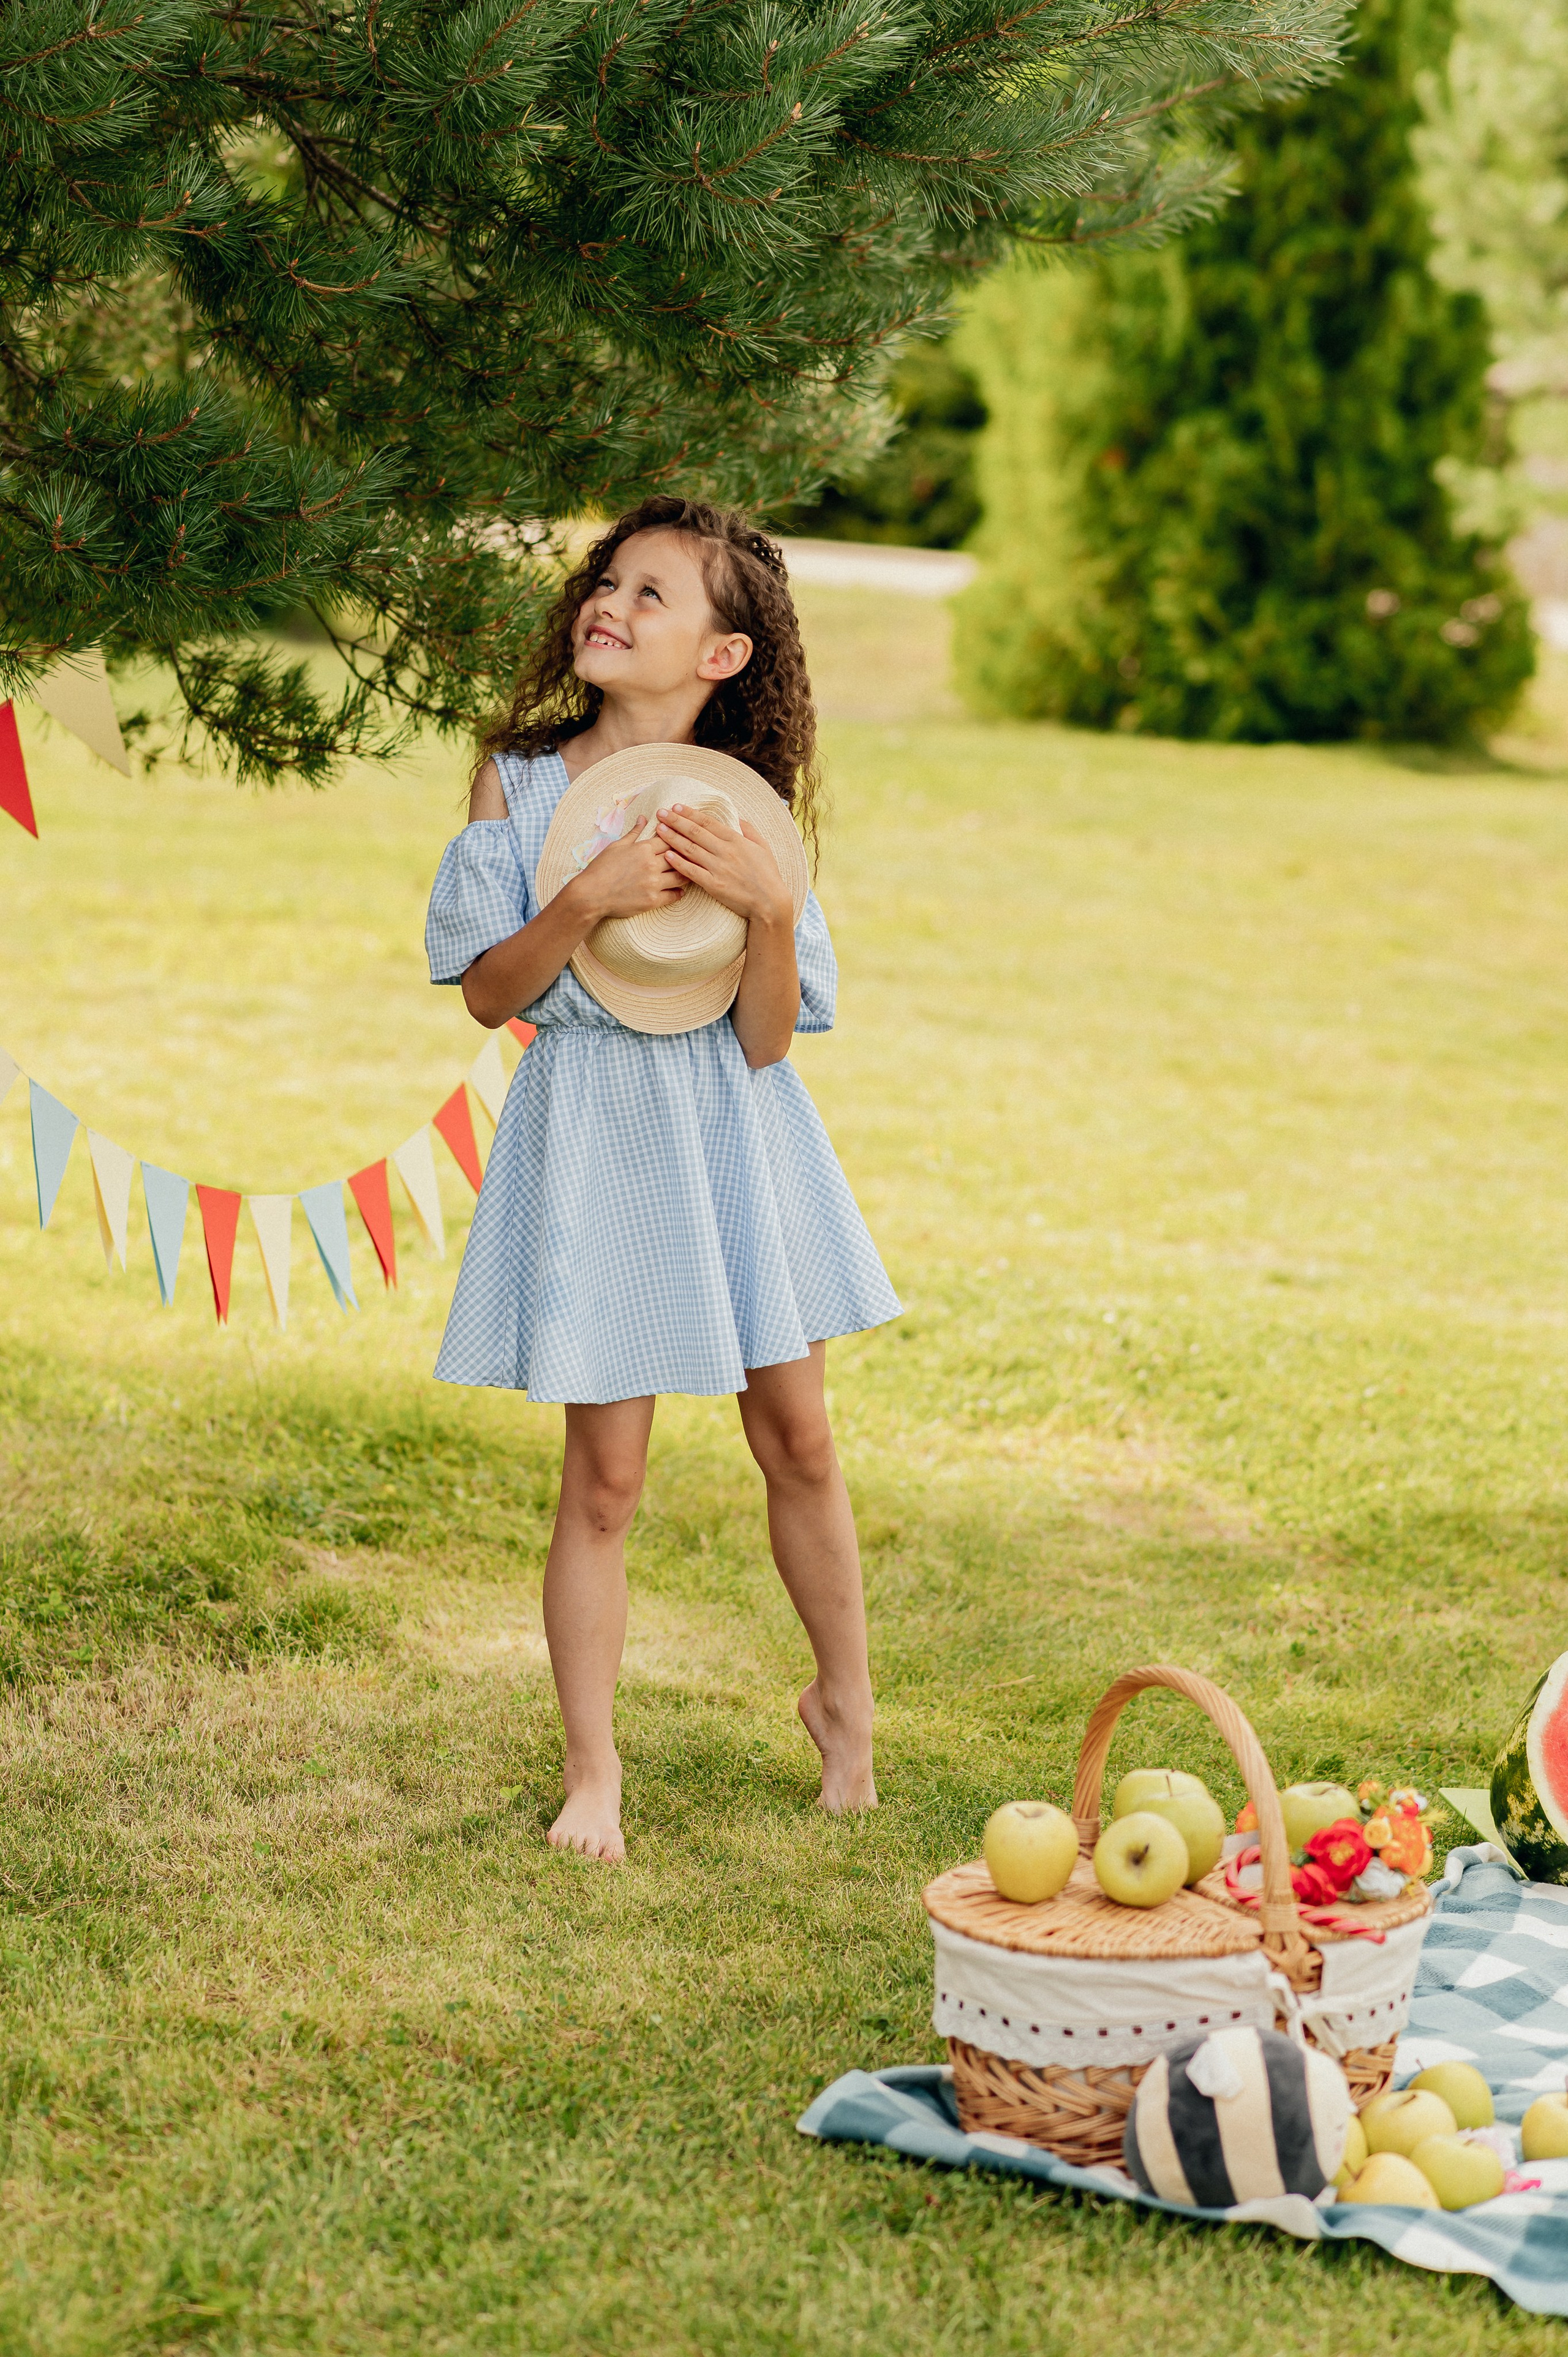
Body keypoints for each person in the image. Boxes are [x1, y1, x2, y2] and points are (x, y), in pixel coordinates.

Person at [424, 495, 900, 1862]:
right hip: (590, 1132)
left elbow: (763, 1038)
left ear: (721, 657)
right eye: (607, 582)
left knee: (798, 1437)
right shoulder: (516, 783)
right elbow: (485, 997)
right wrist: (585, 898)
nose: (610, 606)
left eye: (652, 597)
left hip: (732, 1132)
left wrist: (761, 907)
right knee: (606, 1478)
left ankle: (843, 1707)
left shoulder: (748, 815)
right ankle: (592, 1771)